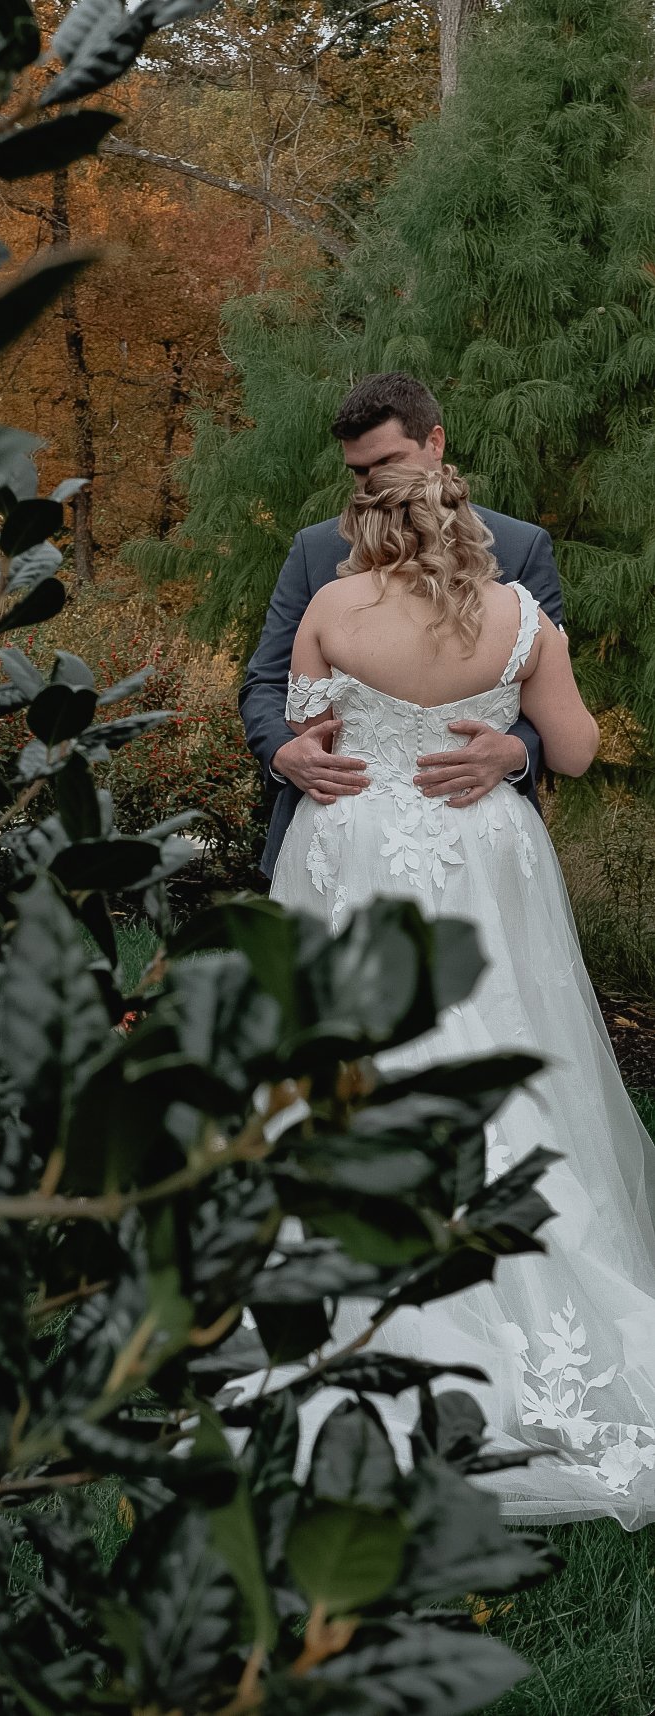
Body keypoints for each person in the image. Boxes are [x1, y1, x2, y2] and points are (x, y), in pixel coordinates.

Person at [261, 456, 655, 1529]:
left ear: (365, 525)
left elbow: (310, 738)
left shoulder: (333, 608)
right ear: (460, 522)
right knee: (498, 1046)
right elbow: (574, 752)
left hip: (356, 847)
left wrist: (350, 745)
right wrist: (500, 739)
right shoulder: (523, 617)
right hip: (480, 846)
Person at [240, 372, 564, 881]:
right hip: (338, 836)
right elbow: (265, 679)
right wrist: (284, 751)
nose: (371, 484)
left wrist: (516, 750)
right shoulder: (315, 550)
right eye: (358, 471)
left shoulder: (520, 547)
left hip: (479, 840)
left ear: (435, 442)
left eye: (387, 462)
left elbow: (551, 693)